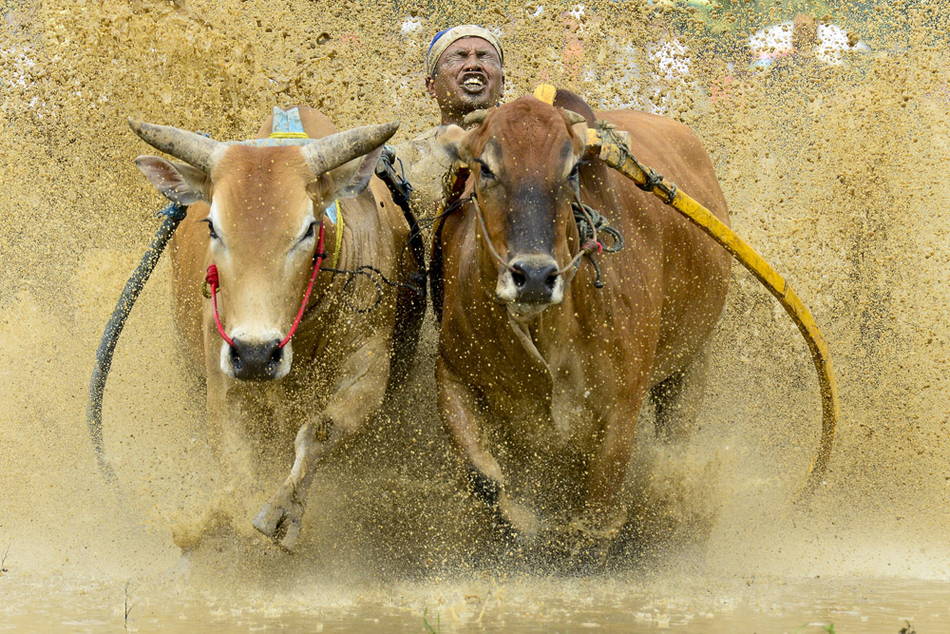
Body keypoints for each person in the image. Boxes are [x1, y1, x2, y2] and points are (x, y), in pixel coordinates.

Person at [390, 25, 505, 216]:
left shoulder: (531, 152)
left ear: (503, 84)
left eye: (484, 56)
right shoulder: (403, 163)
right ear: (431, 86)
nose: (473, 65)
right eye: (458, 56)